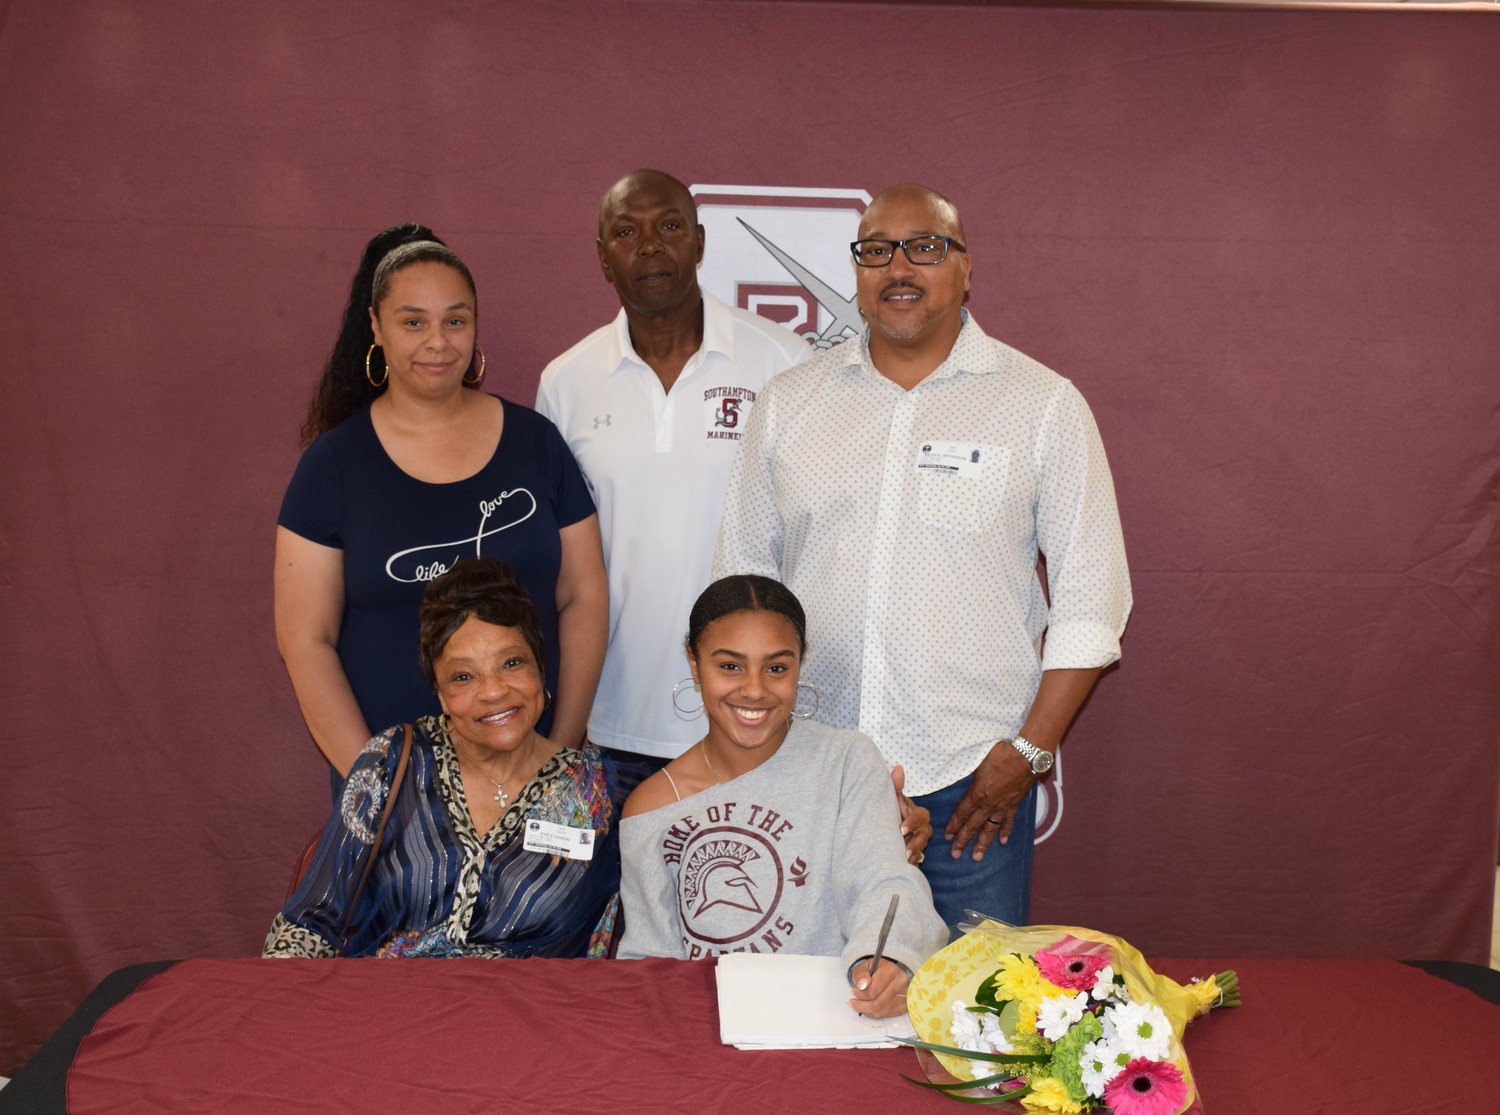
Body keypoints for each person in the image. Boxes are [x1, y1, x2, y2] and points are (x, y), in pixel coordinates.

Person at [713, 184, 1132, 931]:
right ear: (856, 272)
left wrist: (1028, 752)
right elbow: (742, 585)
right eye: (875, 250)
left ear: (966, 269)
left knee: (970, 1021)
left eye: (925, 247)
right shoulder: (790, 402)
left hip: (973, 786)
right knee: (806, 1021)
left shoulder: (1042, 404)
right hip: (815, 769)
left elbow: (1092, 602)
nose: (898, 266)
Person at [276, 229, 608, 788]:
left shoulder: (537, 443)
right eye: (413, 322)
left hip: (533, 778)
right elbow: (305, 641)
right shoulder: (332, 465)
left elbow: (584, 595)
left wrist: (559, 753)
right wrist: (377, 785)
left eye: (455, 320)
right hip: (393, 794)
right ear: (376, 328)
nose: (438, 342)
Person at [535, 170, 807, 767]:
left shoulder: (783, 360)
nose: (651, 245)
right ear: (604, 257)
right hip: (611, 719)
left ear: (701, 243)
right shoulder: (565, 383)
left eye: (670, 227)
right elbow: (562, 562)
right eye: (627, 232)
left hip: (753, 719)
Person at [265, 559, 641, 958]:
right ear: (440, 693)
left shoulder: (602, 791)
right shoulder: (393, 764)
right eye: (464, 676)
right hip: (389, 1012)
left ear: (540, 668)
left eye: (512, 663)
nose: (494, 691)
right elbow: (308, 924)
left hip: (532, 1016)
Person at [617, 575, 948, 1018]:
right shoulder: (651, 806)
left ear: (799, 665)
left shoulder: (848, 759)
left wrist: (890, 958)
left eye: (776, 667)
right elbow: (649, 965)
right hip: (707, 1038)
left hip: (837, 1020)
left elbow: (884, 882)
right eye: (730, 666)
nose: (754, 689)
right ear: (694, 665)